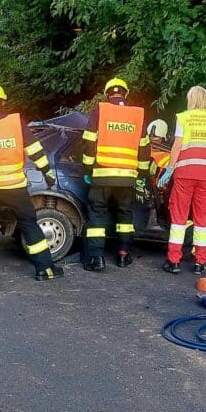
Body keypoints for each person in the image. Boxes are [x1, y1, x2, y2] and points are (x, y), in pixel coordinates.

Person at [0, 82, 64, 284]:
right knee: (29, 224)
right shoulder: (16, 123)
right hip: (15, 187)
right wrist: (48, 174)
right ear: (3, 100)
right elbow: (36, 151)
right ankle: (45, 269)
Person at [80, 78, 150, 270]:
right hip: (127, 177)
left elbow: (89, 140)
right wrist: (142, 174)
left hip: (102, 174)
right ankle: (123, 255)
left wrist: (87, 169)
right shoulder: (137, 114)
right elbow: (144, 147)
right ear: (125, 94)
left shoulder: (101, 110)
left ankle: (96, 258)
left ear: (107, 93)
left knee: (97, 215)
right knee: (125, 216)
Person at [158, 86, 206, 275]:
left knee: (179, 218)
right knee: (202, 219)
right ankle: (201, 263)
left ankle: (174, 261)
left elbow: (178, 146)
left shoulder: (185, 118)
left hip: (185, 172)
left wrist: (169, 169)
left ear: (191, 100)